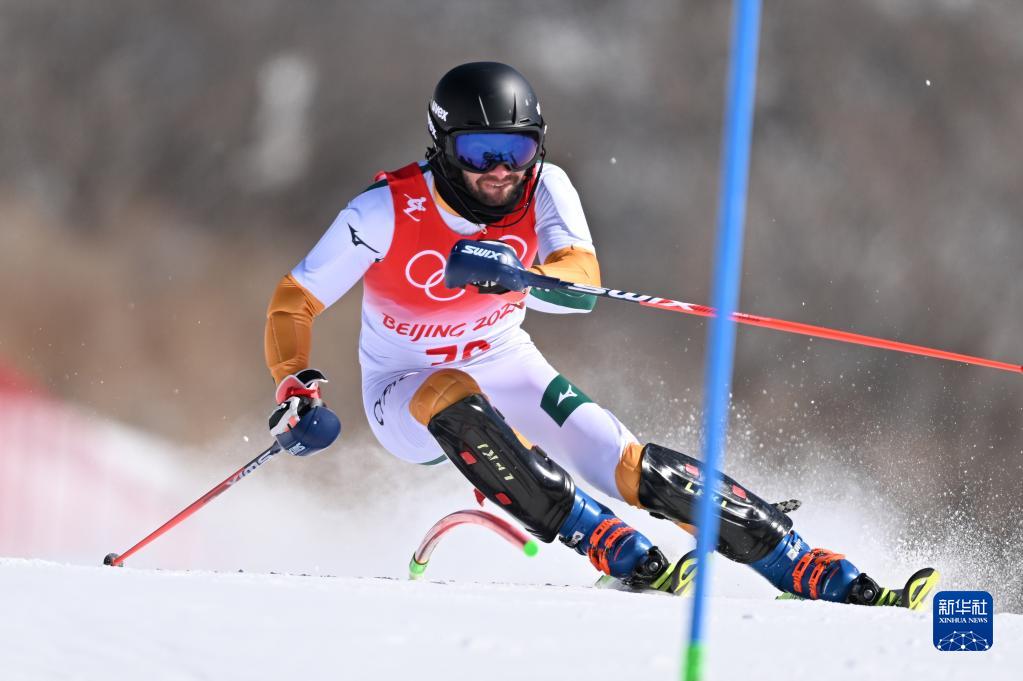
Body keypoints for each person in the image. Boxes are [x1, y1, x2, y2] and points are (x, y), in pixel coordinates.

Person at [264, 62, 937, 606]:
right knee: (450, 391)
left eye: (517, 150)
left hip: (504, 357)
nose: (500, 170)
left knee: (628, 463)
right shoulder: (384, 211)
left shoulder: (545, 188)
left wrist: (518, 275)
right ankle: (607, 542)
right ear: (442, 146)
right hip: (403, 388)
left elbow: (582, 282)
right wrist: (294, 381)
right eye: (479, 151)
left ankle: (808, 566)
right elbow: (296, 300)